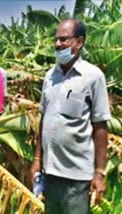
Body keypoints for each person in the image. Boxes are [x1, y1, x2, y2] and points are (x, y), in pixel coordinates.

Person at [30, 19, 111, 214]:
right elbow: (45, 119)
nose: (58, 44)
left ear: (79, 42)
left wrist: (99, 172)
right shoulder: (50, 76)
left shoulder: (92, 76)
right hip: (51, 174)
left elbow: (100, 127)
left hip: (77, 177)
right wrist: (37, 159)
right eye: (56, 39)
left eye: (64, 39)